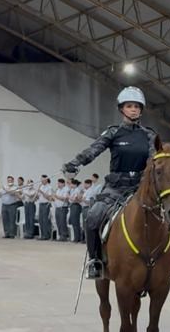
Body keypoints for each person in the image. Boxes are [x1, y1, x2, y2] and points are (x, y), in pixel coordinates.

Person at [62, 87, 157, 279]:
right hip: (116, 187)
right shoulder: (113, 132)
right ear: (122, 109)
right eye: (129, 106)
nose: (133, 110)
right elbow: (94, 149)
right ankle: (95, 261)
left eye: (137, 106)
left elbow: (155, 158)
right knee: (93, 216)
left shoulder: (149, 135)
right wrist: (76, 163)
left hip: (139, 187)